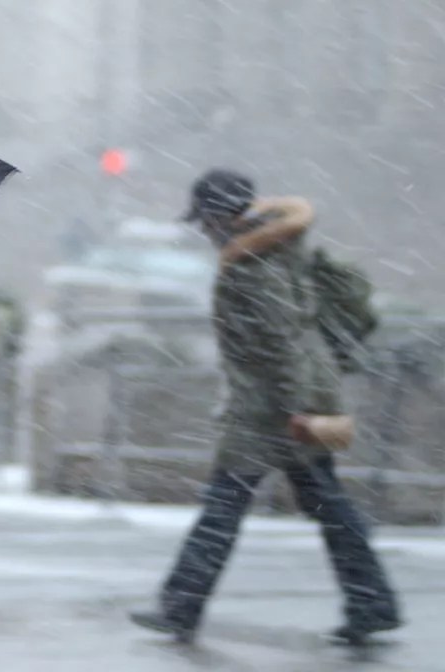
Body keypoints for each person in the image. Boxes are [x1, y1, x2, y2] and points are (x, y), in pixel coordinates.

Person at [129, 169, 401, 646]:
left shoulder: (253, 266)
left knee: (225, 507)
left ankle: (180, 607)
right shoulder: (277, 251)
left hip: (272, 409)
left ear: (221, 217)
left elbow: (282, 344)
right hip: (289, 399)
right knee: (326, 506)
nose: (203, 230)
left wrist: (298, 408)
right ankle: (371, 603)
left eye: (205, 219)